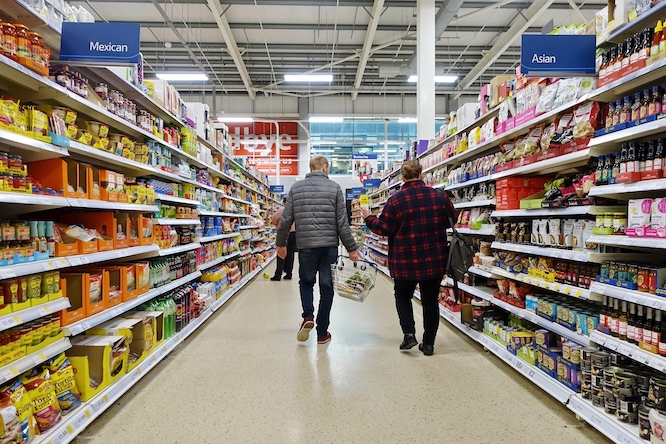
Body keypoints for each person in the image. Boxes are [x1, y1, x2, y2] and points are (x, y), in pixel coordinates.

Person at [360, 159, 455, 356]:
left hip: (405, 261)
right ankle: (428, 344)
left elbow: (383, 228)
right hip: (434, 259)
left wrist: (368, 218)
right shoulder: (438, 195)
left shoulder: (396, 200)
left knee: (402, 295)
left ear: (402, 177)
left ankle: (409, 334)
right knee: (430, 301)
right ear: (422, 174)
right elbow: (453, 219)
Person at [277, 155, 361, 345]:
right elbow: (342, 223)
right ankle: (322, 333)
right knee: (327, 288)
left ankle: (308, 316)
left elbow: (286, 220)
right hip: (329, 247)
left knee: (306, 283)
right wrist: (352, 248)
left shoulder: (296, 188)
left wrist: (281, 243)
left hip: (306, 245)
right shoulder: (334, 188)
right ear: (324, 168)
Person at [270, 197, 296, 281]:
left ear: (283, 202)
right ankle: (289, 274)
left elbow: (274, 220)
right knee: (290, 254)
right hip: (294, 233)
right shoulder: (294, 209)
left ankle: (278, 275)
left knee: (281, 252)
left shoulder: (281, 209)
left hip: (283, 233)